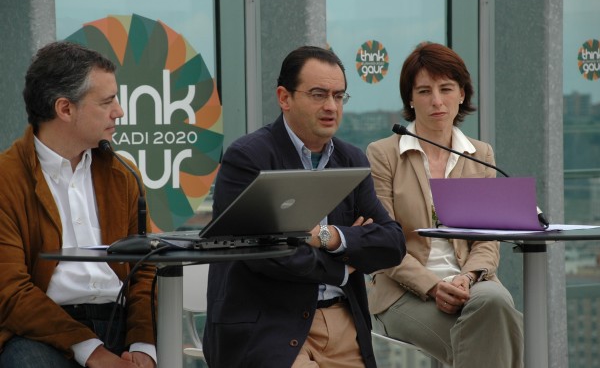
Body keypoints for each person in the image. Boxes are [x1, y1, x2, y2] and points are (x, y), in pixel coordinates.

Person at [202, 45, 406, 368]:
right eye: (318, 95)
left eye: (339, 97)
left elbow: (392, 243)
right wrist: (342, 266)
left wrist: (330, 237)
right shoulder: (249, 158)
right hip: (269, 324)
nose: (331, 107)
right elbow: (265, 251)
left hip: (343, 323)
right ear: (284, 97)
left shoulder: (350, 160)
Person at [366, 42, 524, 368]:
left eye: (446, 89)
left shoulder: (481, 155)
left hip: (472, 286)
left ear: (462, 94)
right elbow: (382, 242)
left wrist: (465, 278)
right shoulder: (383, 154)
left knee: (496, 302)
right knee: (493, 336)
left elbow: (487, 239)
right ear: (410, 99)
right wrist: (432, 284)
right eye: (424, 91)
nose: (436, 101)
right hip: (403, 292)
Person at [0, 41, 156, 368]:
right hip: (40, 333)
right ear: (65, 109)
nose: (120, 111)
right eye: (107, 101)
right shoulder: (6, 178)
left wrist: (144, 344)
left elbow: (145, 267)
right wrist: (93, 352)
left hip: (120, 324)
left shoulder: (122, 172)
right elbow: (10, 292)